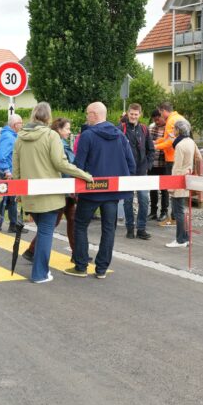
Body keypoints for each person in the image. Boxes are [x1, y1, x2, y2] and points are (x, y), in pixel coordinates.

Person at [14, 104, 93, 283]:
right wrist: (84, 175)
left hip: (29, 194)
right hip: (49, 195)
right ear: (48, 118)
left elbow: (16, 169)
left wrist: (18, 193)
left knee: (43, 230)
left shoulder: (20, 137)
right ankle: (40, 273)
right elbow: (61, 164)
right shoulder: (51, 136)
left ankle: (39, 270)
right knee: (45, 232)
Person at [66, 102, 135, 279]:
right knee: (108, 229)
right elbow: (131, 164)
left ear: (95, 115)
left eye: (88, 113)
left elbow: (79, 166)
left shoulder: (87, 136)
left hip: (91, 191)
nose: (86, 117)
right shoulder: (120, 135)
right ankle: (102, 269)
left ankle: (81, 266)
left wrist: (75, 187)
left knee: (80, 225)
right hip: (113, 192)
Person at [21, 116, 79, 263]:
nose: (69, 131)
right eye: (67, 128)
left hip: (64, 189)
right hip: (63, 189)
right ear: (58, 129)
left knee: (69, 220)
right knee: (54, 223)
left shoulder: (56, 141)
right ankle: (33, 251)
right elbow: (65, 165)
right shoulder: (57, 142)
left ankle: (76, 253)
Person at [0, 113, 25, 233]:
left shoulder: (11, 135)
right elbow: (2, 155)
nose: (22, 125)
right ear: (14, 125)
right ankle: (12, 224)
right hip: (8, 172)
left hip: (10, 171)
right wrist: (7, 171)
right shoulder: (8, 137)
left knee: (10, 199)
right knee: (11, 199)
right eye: (20, 123)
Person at [119, 103, 153, 240]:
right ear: (127, 113)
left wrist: (148, 165)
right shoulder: (121, 129)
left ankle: (141, 228)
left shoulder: (144, 129)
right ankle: (129, 229)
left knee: (144, 200)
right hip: (127, 172)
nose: (133, 116)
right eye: (131, 114)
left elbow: (151, 149)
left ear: (140, 114)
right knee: (127, 201)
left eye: (136, 114)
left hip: (141, 172)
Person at [166, 120, 196, 248]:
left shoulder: (179, 146)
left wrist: (171, 186)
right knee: (182, 210)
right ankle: (186, 238)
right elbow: (199, 158)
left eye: (174, 129)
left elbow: (176, 168)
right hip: (188, 177)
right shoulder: (191, 142)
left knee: (178, 211)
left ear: (178, 130)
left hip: (179, 179)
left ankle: (180, 240)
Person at [153, 103, 185, 225]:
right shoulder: (178, 118)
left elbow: (170, 142)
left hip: (172, 159)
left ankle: (174, 218)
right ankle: (174, 217)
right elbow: (168, 138)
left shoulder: (171, 121)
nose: (160, 116)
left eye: (160, 113)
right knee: (176, 189)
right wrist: (156, 141)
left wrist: (156, 146)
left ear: (163, 111)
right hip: (176, 158)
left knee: (172, 189)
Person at [147, 108, 169, 221]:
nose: (157, 122)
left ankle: (164, 211)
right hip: (152, 163)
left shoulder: (168, 128)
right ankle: (153, 211)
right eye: (155, 120)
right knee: (152, 188)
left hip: (164, 163)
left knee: (164, 189)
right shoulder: (150, 127)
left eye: (158, 119)